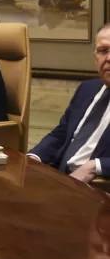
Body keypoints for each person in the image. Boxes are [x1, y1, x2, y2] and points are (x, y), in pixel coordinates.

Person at [28, 23, 110, 184]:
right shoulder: (88, 89)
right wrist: (33, 157)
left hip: (96, 189)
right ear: (95, 57)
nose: (108, 58)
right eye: (103, 51)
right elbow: (61, 134)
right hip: (59, 177)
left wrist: (95, 166)